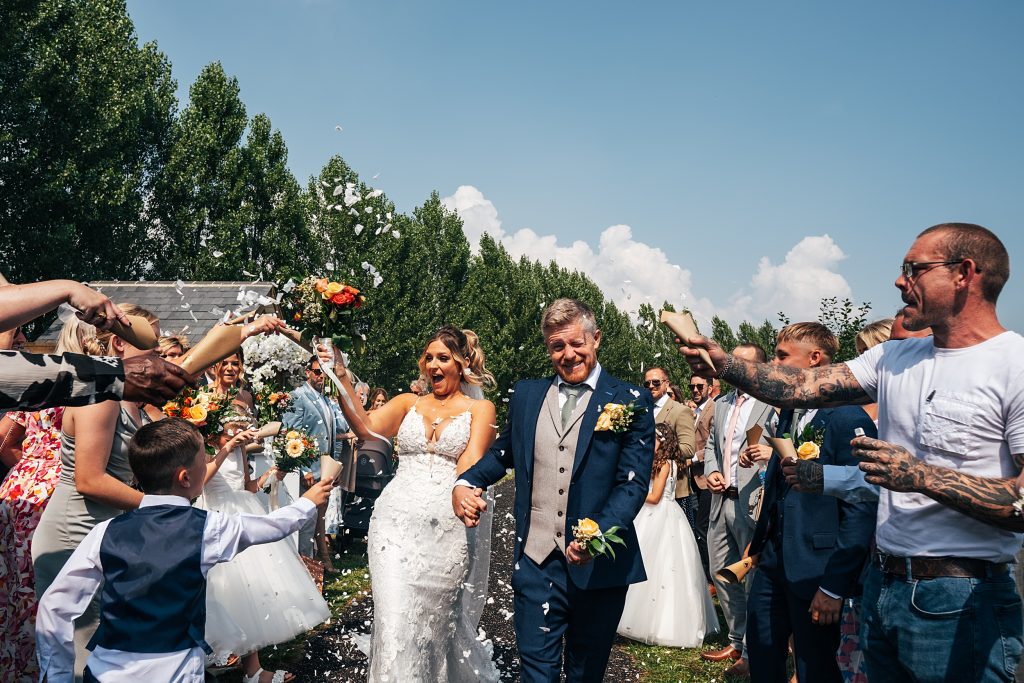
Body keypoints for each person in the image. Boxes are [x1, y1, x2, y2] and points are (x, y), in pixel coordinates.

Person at [678, 223, 1024, 683]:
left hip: (960, 596)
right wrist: (724, 363)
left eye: (913, 269)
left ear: (965, 273)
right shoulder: (894, 359)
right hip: (884, 586)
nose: (900, 282)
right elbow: (799, 385)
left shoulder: (1013, 365)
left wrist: (921, 477)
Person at [34, 418, 334, 683]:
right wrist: (309, 500)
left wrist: (60, 675)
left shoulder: (104, 532)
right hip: (175, 671)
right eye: (203, 462)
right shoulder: (207, 528)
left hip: (106, 672)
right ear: (186, 478)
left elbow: (55, 605)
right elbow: (273, 527)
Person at [454, 299, 655, 683]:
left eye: (576, 343)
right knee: (537, 674)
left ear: (596, 339)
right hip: (536, 561)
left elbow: (631, 485)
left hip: (600, 570)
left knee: (585, 672)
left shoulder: (630, 400)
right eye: (557, 346)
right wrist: (466, 482)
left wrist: (596, 535)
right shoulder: (528, 395)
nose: (568, 354)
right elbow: (504, 453)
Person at [329, 325, 500, 682]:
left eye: (443, 358)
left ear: (463, 363)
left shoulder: (480, 409)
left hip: (447, 530)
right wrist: (341, 375)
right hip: (394, 526)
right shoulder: (409, 403)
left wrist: (465, 493)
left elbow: (470, 460)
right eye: (429, 358)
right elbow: (364, 426)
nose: (433, 365)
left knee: (434, 630)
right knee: (394, 625)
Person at [31, 305, 160, 682]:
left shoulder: (124, 393)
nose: (157, 353)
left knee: (108, 655)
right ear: (119, 343)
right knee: (80, 658)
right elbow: (89, 479)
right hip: (75, 535)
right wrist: (160, 507)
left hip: (106, 534)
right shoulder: (100, 392)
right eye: (149, 345)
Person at [742, 323, 878, 683]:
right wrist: (761, 541)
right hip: (773, 562)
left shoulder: (847, 416)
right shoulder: (789, 412)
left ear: (814, 359)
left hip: (817, 567)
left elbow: (861, 505)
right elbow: (776, 486)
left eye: (782, 355)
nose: (774, 361)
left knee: (815, 667)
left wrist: (834, 586)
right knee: (763, 653)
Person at [198, 415, 330, 683]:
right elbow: (202, 478)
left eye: (240, 427)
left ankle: (253, 670)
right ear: (215, 431)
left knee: (251, 590)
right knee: (219, 591)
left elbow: (247, 487)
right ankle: (214, 653)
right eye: (231, 428)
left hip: (243, 515)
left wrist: (272, 474)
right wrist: (228, 446)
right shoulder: (206, 449)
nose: (238, 433)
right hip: (216, 518)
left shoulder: (239, 452)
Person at [0, 317, 93, 682]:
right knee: (55, 580)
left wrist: (30, 467)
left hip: (18, 489)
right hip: (58, 488)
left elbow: (5, 443)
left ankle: (18, 663)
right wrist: (50, 467)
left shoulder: (35, 381)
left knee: (19, 581)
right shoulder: (83, 385)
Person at [700, 343, 776, 677]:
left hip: (752, 502)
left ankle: (750, 650)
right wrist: (712, 470)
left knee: (750, 577)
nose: (732, 367)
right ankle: (734, 638)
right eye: (731, 361)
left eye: (741, 363)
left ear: (758, 367)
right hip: (721, 499)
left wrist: (769, 453)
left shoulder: (773, 403)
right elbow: (711, 446)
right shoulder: (720, 403)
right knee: (721, 571)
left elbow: (789, 443)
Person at [617, 423, 717, 647]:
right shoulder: (658, 463)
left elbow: (654, 498)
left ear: (662, 442)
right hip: (655, 514)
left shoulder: (665, 465)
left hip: (659, 514)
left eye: (652, 440)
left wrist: (631, 492)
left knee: (659, 567)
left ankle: (659, 624)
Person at [281, 356, 349, 570]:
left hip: (325, 470)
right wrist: (303, 469)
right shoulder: (297, 397)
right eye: (317, 371)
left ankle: (316, 567)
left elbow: (336, 432)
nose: (321, 376)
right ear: (308, 372)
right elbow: (290, 434)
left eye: (325, 373)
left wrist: (334, 467)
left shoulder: (327, 400)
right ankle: (304, 571)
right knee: (306, 524)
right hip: (307, 472)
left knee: (318, 522)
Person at [642, 368, 696, 525]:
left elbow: (688, 448)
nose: (651, 386)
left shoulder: (680, 411)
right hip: (645, 484)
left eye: (656, 382)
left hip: (672, 490)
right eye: (647, 384)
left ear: (666, 384)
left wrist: (659, 451)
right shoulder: (642, 410)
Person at [689, 373, 717, 585]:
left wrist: (691, 458)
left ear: (710, 387)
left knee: (703, 527)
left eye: (700, 386)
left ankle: (711, 578)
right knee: (699, 526)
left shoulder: (713, 409)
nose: (696, 390)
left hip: (709, 477)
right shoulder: (695, 411)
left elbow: (713, 445)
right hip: (695, 479)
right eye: (692, 387)